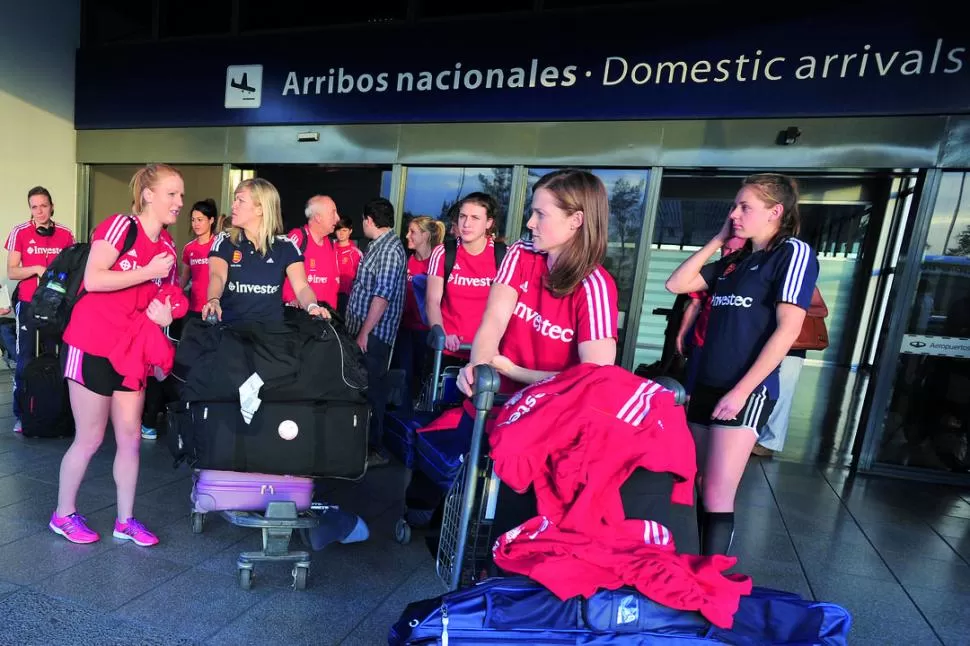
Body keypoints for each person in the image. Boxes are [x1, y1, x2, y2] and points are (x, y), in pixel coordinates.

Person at [665, 173, 818, 556]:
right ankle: (691, 570)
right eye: (735, 205)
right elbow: (677, 284)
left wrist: (741, 391)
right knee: (698, 482)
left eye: (745, 206)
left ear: (775, 212)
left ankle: (711, 580)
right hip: (706, 385)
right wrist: (718, 238)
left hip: (745, 391)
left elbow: (787, 331)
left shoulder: (792, 253)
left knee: (718, 490)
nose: (734, 213)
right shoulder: (737, 261)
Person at [51, 164, 184, 546]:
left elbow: (167, 297)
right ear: (147, 195)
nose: (179, 202)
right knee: (90, 438)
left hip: (131, 351)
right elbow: (94, 279)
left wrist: (167, 314)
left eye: (180, 194)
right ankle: (62, 514)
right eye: (172, 194)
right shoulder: (119, 226)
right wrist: (145, 272)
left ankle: (125, 520)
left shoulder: (169, 247)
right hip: (91, 343)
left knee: (128, 438)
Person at [138, 197, 219, 441]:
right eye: (193, 220)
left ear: (211, 221)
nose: (195, 224)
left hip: (215, 313)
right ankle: (164, 415)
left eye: (200, 220)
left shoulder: (221, 245)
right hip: (192, 314)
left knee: (213, 364)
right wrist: (170, 302)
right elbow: (181, 280)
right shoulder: (189, 248)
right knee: (179, 364)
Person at [202, 179, 327, 324]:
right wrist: (214, 300)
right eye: (234, 200)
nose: (233, 205)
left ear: (260, 209)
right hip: (233, 331)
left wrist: (312, 306)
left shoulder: (286, 246)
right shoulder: (224, 241)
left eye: (240, 201)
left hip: (271, 336)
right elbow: (217, 276)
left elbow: (302, 286)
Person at [5, 186, 75, 433]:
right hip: (28, 303)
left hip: (57, 306)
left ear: (52, 206)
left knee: (59, 358)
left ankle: (56, 411)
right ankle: (22, 413)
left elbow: (73, 268)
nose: (39, 211)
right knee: (25, 358)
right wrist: (35, 269)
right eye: (34, 207)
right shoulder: (19, 232)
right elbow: (12, 270)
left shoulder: (66, 235)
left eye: (43, 206)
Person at [345, 198, 407, 468]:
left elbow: (381, 297)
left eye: (363, 220)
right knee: (362, 388)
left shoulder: (390, 251)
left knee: (372, 392)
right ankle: (360, 445)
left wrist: (364, 334)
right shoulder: (377, 247)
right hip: (364, 332)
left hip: (375, 336)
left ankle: (374, 448)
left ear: (369, 220)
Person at [426, 193, 502, 367]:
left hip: (486, 352)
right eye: (462, 216)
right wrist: (442, 334)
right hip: (448, 350)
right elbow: (432, 301)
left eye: (475, 218)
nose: (466, 224)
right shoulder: (444, 252)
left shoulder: (503, 255)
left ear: (488, 223)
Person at [675, 236, 746, 399]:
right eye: (727, 249)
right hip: (701, 341)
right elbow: (694, 304)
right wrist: (681, 334)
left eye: (736, 251)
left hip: (730, 348)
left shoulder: (748, 276)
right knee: (689, 395)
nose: (730, 254)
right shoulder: (712, 272)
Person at [394, 215, 445, 406]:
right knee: (404, 376)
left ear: (425, 235)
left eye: (413, 232)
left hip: (426, 332)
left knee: (424, 378)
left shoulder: (437, 261)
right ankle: (404, 420)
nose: (407, 235)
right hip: (405, 329)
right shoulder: (408, 261)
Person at [282, 195, 340, 310]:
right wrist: (291, 300)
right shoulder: (297, 238)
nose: (337, 218)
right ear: (318, 217)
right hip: (300, 317)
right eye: (333, 213)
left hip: (324, 318)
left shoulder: (331, 244)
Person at [334, 217, 363, 316]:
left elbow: (360, 279)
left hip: (345, 297)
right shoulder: (329, 249)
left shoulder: (355, 253)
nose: (341, 233)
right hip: (329, 293)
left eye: (344, 230)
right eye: (338, 230)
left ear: (350, 231)